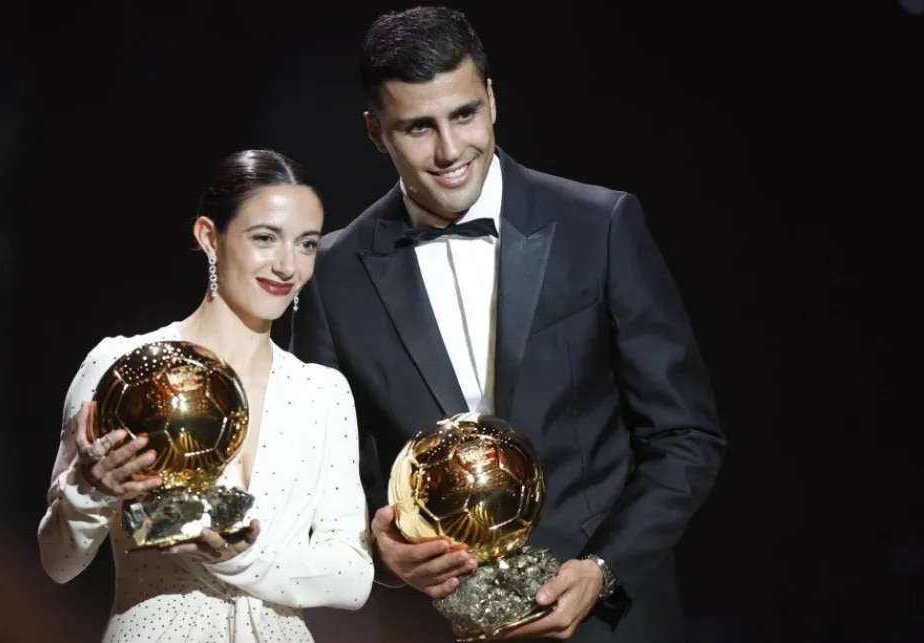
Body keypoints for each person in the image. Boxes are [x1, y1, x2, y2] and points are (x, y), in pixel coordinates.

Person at [290, 6, 726, 643]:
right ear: (375, 132)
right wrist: (383, 554)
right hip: (434, 626)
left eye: (463, 114)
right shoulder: (331, 274)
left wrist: (604, 569)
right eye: (417, 127)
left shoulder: (600, 226)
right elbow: (326, 481)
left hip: (608, 623)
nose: (448, 150)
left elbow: (687, 436)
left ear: (491, 100)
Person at [38, 149, 374, 643]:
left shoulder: (321, 393)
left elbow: (352, 576)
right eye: (264, 238)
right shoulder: (124, 367)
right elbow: (59, 564)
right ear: (209, 237)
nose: (286, 266)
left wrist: (244, 558)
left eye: (305, 244)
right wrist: (90, 489)